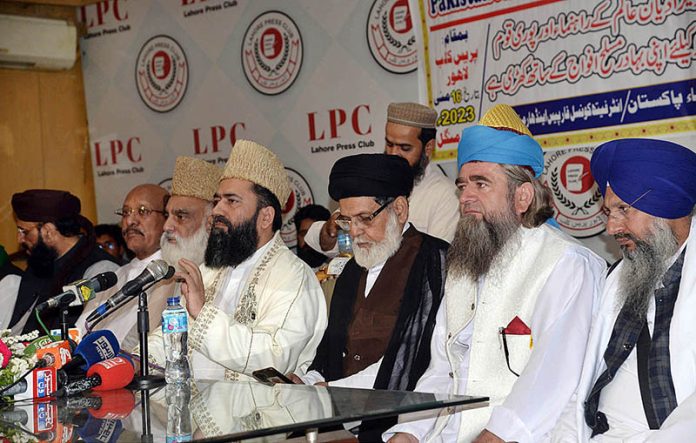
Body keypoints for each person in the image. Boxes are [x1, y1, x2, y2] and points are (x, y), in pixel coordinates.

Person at [385, 104, 605, 443]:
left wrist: (492, 437)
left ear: (523, 196)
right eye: (462, 185)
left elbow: (551, 379)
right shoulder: (463, 264)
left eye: (481, 184)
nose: (465, 197)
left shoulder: (567, 264)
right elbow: (442, 370)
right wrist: (408, 431)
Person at [550, 138, 696, 442]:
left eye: (623, 210)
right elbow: (579, 383)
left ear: (665, 204)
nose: (612, 228)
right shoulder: (619, 275)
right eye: (608, 212)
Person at [294, 153, 448, 440]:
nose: (354, 232)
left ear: (400, 209)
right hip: (343, 429)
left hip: (408, 429)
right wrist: (307, 382)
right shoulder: (352, 269)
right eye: (346, 221)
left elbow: (417, 357)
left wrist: (333, 392)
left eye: (365, 219)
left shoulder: (435, 262)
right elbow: (329, 352)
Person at [145, 140, 327, 381]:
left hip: (263, 414)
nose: (217, 210)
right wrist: (137, 359)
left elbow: (273, 360)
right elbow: (173, 333)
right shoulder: (210, 270)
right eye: (217, 200)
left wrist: (203, 312)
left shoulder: (293, 276)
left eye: (231, 201)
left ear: (265, 217)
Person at [305, 102, 459, 257]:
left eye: (404, 148)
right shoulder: (374, 180)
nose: (393, 154)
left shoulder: (446, 195)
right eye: (389, 144)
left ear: (428, 148)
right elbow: (325, 244)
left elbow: (434, 259)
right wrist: (330, 229)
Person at [3, 189, 120, 333]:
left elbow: (90, 332)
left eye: (24, 231)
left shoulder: (99, 270)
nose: (19, 239)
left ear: (48, 231)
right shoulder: (41, 261)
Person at [76, 183, 170, 349]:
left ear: (166, 218)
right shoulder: (113, 276)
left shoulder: (172, 276)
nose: (130, 221)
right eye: (125, 212)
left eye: (143, 211)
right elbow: (79, 331)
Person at [160, 156, 221, 271]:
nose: (166, 226)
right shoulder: (162, 278)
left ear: (210, 222)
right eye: (167, 215)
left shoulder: (229, 277)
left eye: (180, 217)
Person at [294, 204, 331, 269]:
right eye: (304, 234)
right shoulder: (288, 267)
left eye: (313, 234)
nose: (308, 240)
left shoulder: (338, 268)